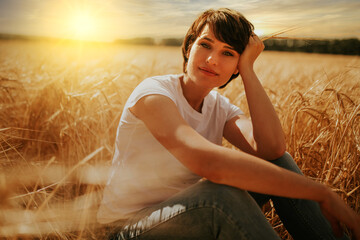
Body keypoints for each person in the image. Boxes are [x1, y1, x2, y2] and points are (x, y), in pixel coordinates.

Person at [97, 8, 360, 240]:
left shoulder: (218, 107)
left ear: (236, 65)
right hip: (130, 229)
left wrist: (248, 70)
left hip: (187, 217)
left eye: (228, 53)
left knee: (277, 164)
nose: (212, 59)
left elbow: (273, 149)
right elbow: (208, 163)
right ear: (189, 47)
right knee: (221, 198)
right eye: (205, 45)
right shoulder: (154, 93)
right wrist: (320, 192)